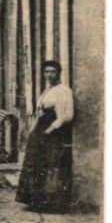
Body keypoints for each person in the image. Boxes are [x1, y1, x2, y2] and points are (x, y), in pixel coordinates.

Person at [17, 60, 76, 213]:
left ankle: (54, 203)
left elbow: (67, 115)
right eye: (47, 72)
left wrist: (50, 129)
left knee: (52, 164)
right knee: (37, 163)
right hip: (41, 131)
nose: (49, 75)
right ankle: (37, 200)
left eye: (53, 72)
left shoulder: (64, 90)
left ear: (59, 73)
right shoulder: (47, 91)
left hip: (54, 133)